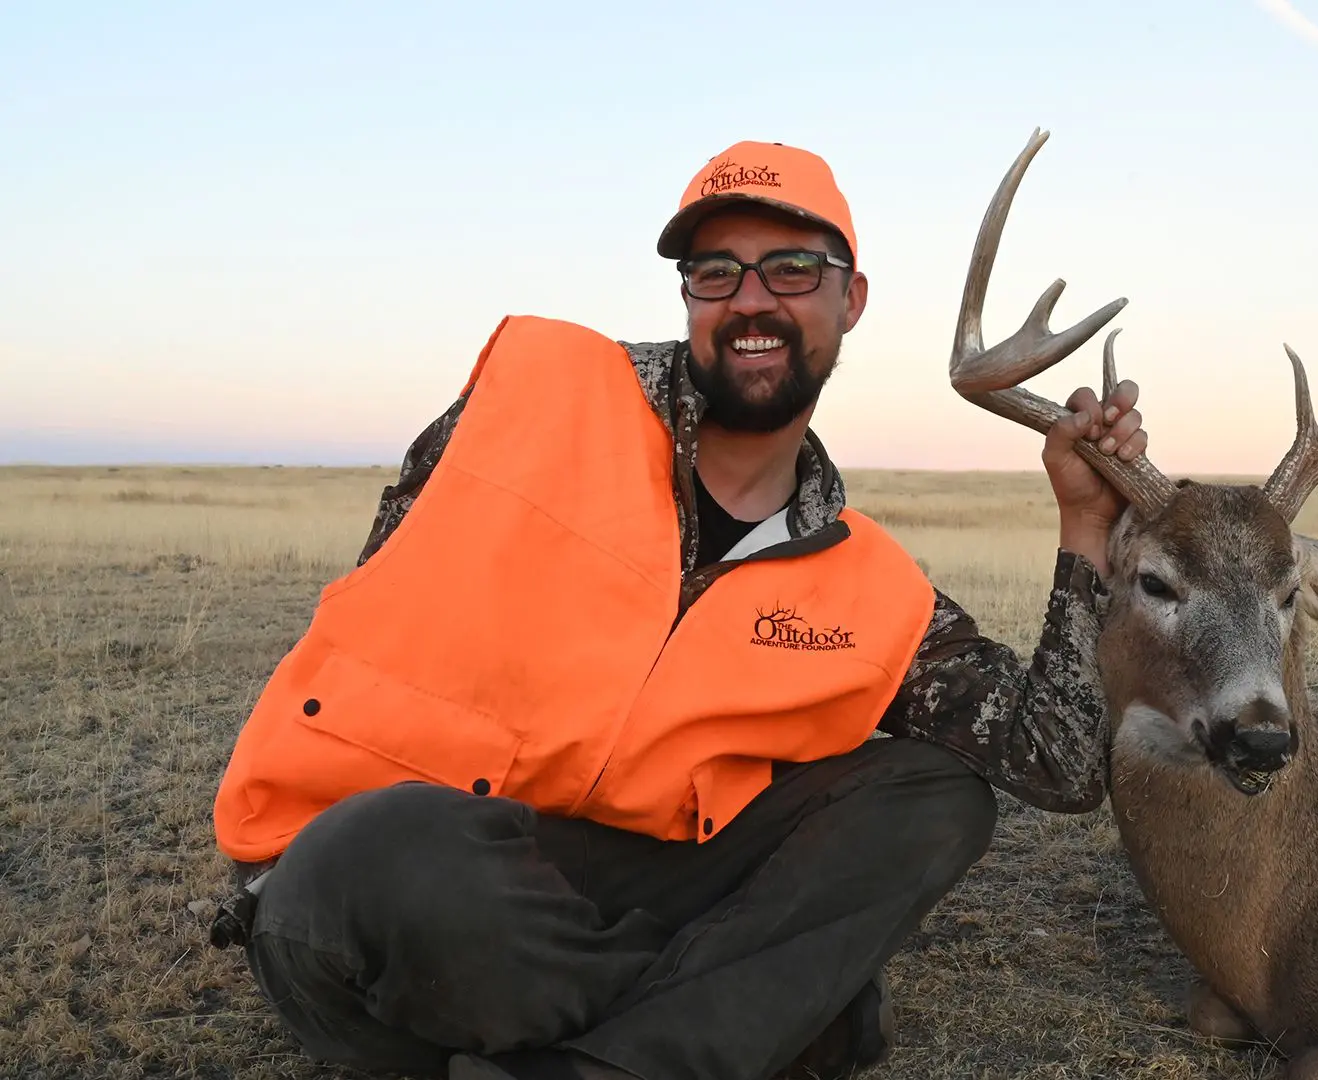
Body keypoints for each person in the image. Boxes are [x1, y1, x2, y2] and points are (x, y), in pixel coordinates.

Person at [203, 137, 1151, 1080]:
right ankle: (762, 1026)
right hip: (403, 883)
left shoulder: (872, 590)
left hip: (615, 881)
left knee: (932, 795)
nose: (751, 300)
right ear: (688, 294)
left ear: (850, 298)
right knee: (387, 851)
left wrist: (1083, 527)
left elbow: (1061, 763)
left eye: (791, 269)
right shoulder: (528, 406)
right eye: (715, 272)